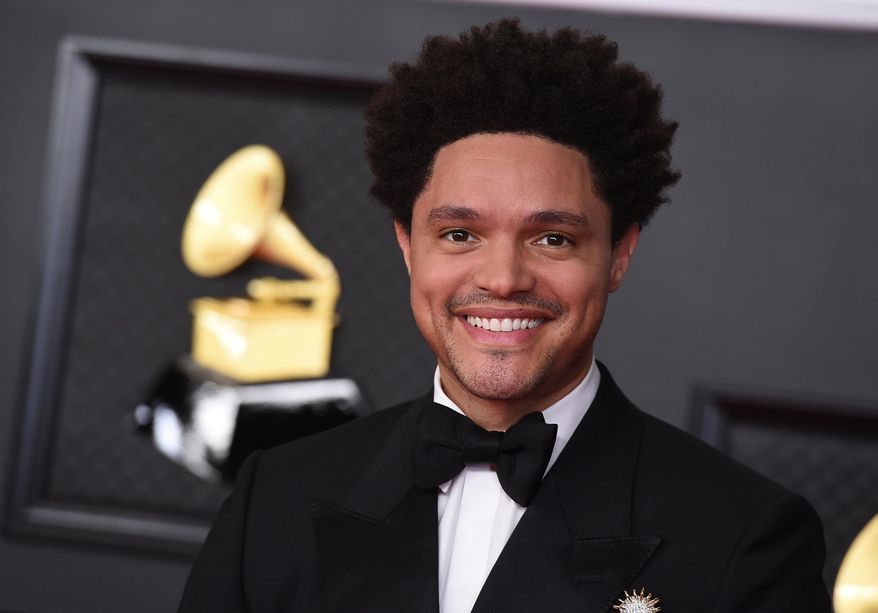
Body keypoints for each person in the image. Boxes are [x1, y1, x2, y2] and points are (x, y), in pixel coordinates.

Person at [178, 18, 831, 613]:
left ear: (619, 255)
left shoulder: (747, 537)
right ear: (408, 247)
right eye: (460, 234)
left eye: (553, 238)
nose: (501, 278)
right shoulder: (275, 499)